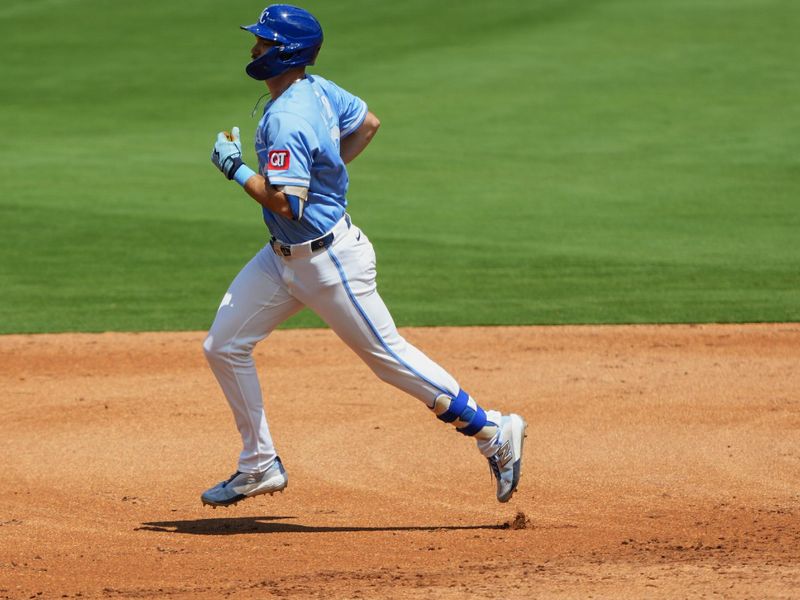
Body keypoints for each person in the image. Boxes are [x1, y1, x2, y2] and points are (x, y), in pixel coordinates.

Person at [202, 4, 526, 507]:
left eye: (263, 42)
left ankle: (493, 431)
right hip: (282, 258)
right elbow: (368, 123)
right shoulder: (315, 88)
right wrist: (328, 175)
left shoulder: (288, 116)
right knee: (223, 345)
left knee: (388, 358)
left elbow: (286, 201)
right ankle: (259, 464)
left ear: (283, 52)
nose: (254, 48)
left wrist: (236, 170)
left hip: (328, 264)